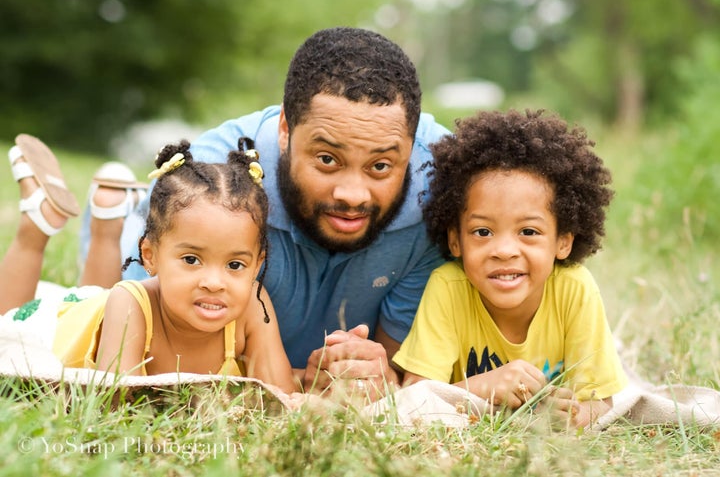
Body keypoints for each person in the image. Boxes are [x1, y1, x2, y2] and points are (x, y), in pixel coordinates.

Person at [85, 27, 450, 396]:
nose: (352, 195)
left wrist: (384, 374)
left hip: (269, 359)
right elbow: (141, 340)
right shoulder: (206, 190)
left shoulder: (442, 190)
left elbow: (405, 365)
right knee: (90, 300)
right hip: (213, 337)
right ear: (285, 130)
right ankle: (108, 218)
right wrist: (301, 380)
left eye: (380, 167)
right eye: (327, 159)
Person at [1, 135, 297, 394]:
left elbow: (280, 398)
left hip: (100, 308)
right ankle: (36, 224)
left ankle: (109, 220)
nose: (214, 282)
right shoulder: (129, 302)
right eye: (192, 259)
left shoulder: (252, 307)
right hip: (55, 326)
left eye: (234, 265)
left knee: (96, 292)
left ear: (257, 265)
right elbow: (118, 400)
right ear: (150, 256)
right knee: (6, 323)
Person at [392, 109, 628, 427]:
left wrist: (567, 419)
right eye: (483, 232)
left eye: (528, 232)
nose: (504, 251)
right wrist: (484, 388)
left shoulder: (574, 287)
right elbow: (415, 396)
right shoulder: (448, 288)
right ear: (455, 240)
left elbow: (599, 401)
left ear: (563, 241)